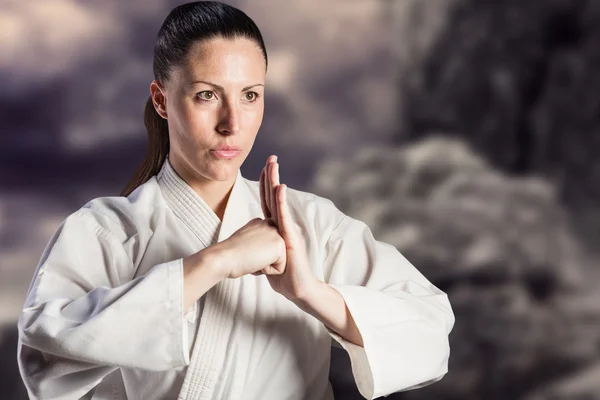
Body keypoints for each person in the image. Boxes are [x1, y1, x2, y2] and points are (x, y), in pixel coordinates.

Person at [16, 2, 455, 399]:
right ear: (161, 99)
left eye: (250, 95)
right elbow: (43, 357)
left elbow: (430, 330)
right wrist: (214, 262)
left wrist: (311, 293)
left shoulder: (311, 226)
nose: (232, 124)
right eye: (207, 95)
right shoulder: (108, 230)